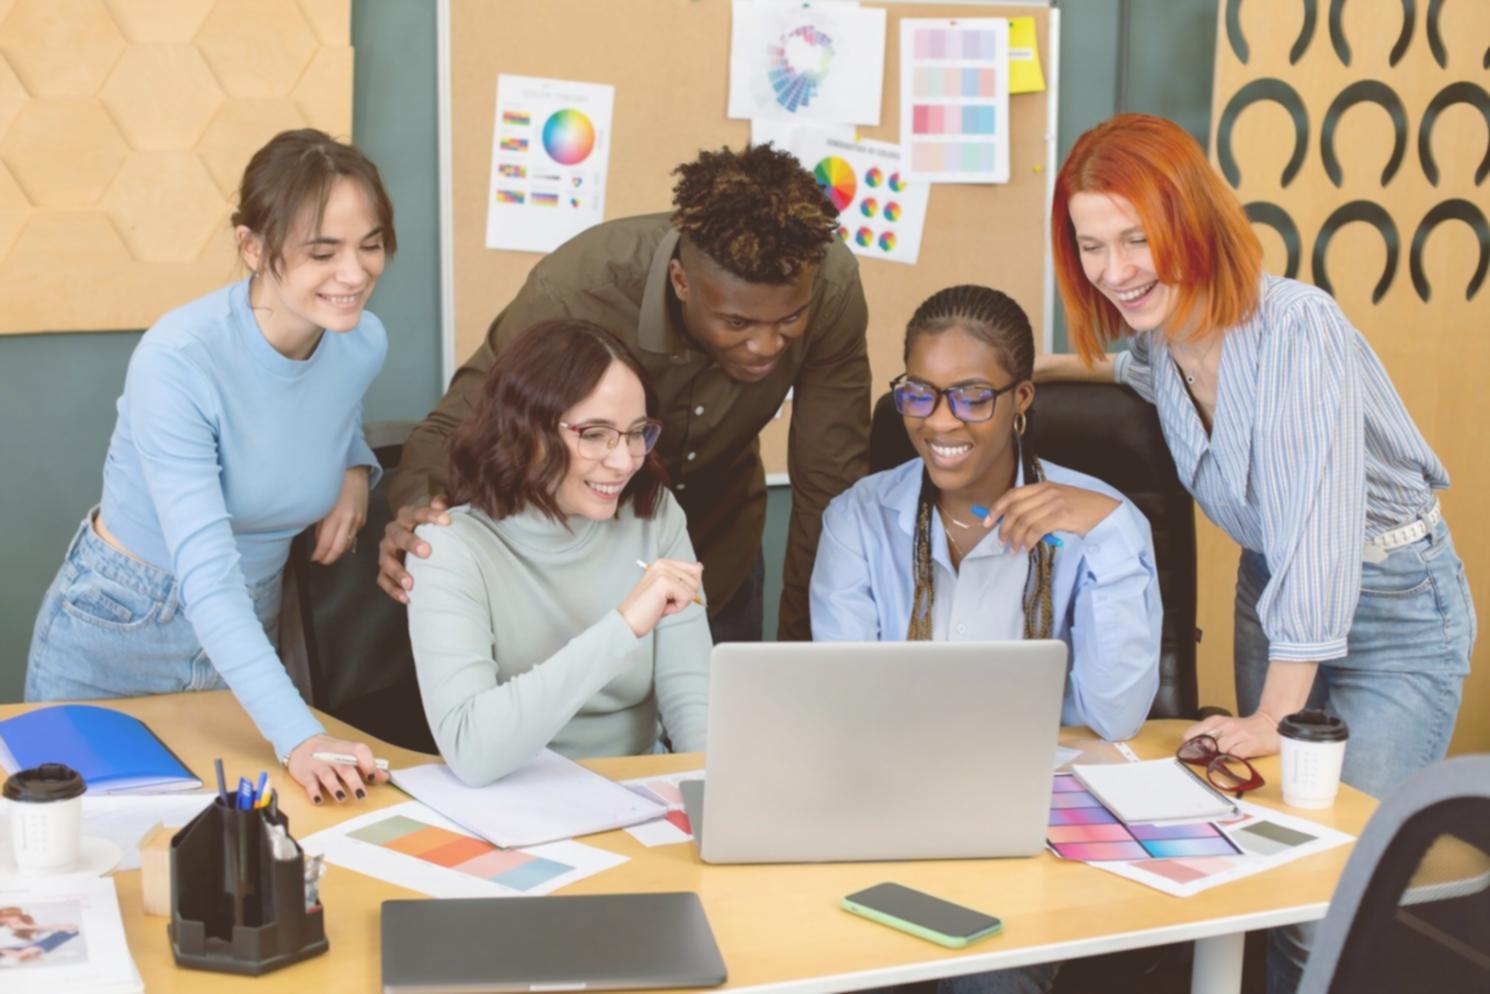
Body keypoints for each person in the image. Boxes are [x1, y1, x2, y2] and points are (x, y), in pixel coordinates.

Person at [1041, 112, 1474, 993]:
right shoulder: (1165, 343)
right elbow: (1133, 374)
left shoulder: (1297, 330)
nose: (1115, 271)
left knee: (1330, 897)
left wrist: (1271, 722)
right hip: (1273, 599)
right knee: (1272, 875)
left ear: (1191, 222)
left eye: (1137, 239)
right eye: (1091, 246)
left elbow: (1318, 534)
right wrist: (1025, 371)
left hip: (1392, 608)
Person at [25, 129, 395, 805]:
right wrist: (299, 736)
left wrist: (352, 462)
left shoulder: (359, 341)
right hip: (123, 628)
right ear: (252, 247)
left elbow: (322, 403)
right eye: (323, 251)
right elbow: (207, 573)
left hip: (248, 623)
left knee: (237, 864)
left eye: (370, 244)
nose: (355, 272)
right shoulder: (178, 361)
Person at [811, 285, 1161, 994]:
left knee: (987, 982)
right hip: (892, 815)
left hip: (1028, 829)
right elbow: (846, 705)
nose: (942, 421)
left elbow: (1115, 715)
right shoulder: (859, 519)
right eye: (919, 393)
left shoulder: (1098, 523)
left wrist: (1115, 528)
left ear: (1021, 398)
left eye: (972, 396)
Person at [381, 144, 871, 642]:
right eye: (737, 322)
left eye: (789, 319)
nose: (767, 346)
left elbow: (829, 484)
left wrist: (807, 656)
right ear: (681, 281)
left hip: (718, 556)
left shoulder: (828, 283)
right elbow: (457, 428)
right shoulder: (580, 291)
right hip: (573, 565)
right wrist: (423, 509)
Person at [405, 319, 709, 786]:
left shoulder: (656, 513)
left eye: (636, 433)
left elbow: (695, 704)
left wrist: (716, 801)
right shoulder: (448, 548)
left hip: (643, 792)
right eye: (595, 434)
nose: (624, 460)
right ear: (526, 431)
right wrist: (624, 626)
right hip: (514, 798)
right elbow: (472, 750)